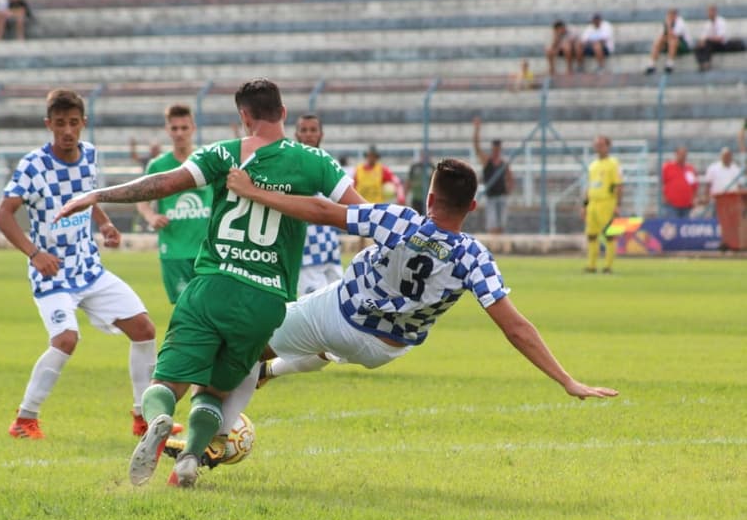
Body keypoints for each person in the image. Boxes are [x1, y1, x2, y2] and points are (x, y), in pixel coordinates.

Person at [196, 158, 619, 467]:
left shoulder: (401, 221)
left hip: (339, 313)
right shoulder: (475, 256)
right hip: (385, 349)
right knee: (323, 351)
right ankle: (274, 372)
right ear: (472, 207)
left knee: (243, 346)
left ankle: (205, 437)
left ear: (430, 197)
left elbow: (325, 211)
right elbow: (516, 329)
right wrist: (566, 380)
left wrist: (253, 192)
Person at [55, 78, 365, 488]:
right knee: (216, 392)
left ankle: (160, 418)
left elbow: (162, 184)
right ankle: (189, 460)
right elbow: (362, 211)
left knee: (166, 381)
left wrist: (98, 195)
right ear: (284, 113)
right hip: (267, 299)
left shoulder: (225, 153)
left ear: (244, 116)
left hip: (213, 285)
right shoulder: (316, 162)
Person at [0, 89, 163, 440]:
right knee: (66, 339)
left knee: (144, 329)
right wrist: (35, 254)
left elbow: (86, 195)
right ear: (48, 125)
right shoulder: (32, 165)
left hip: (88, 268)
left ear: (84, 123)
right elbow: (3, 215)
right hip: (52, 272)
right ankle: (25, 420)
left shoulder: (89, 155)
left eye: (73, 123)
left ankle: (142, 417)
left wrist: (103, 223)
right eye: (59, 124)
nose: (67, 131)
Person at [136, 104, 212, 304]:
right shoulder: (158, 166)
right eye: (174, 128)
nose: (179, 133)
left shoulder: (207, 161)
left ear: (193, 128)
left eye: (184, 128)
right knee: (184, 310)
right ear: (167, 130)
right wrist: (151, 216)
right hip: (174, 251)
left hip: (206, 252)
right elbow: (142, 200)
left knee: (209, 308)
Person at [294, 113, 344, 296]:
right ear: (297, 134)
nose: (309, 134)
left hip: (330, 248)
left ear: (321, 134)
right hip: (306, 252)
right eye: (304, 130)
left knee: (339, 306)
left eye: (313, 130)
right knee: (317, 312)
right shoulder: (293, 166)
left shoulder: (330, 164)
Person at [582, 136, 623, 274]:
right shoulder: (593, 165)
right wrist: (584, 205)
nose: (598, 147)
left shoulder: (613, 164)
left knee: (609, 234)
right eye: (596, 145)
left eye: (601, 144)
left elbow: (618, 186)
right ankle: (591, 265)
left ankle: (608, 266)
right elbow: (589, 186)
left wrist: (618, 204)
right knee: (591, 235)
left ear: (608, 146)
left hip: (607, 203)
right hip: (593, 203)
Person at [472, 117, 515, 235]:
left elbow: (510, 177)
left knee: (501, 224)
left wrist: (510, 188)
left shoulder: (503, 163)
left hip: (501, 196)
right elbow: (477, 147)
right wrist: (477, 130)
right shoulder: (487, 161)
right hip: (491, 196)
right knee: (493, 224)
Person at [645, 8, 693, 74]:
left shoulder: (680, 22)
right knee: (659, 40)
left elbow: (673, 36)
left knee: (673, 41)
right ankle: (651, 64)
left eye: (672, 14)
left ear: (675, 15)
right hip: (670, 43)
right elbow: (662, 36)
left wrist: (669, 26)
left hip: (684, 46)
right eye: (669, 14)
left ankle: (670, 64)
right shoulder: (667, 22)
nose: (670, 16)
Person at [661, 146, 698, 218]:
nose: (683, 156)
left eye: (684, 154)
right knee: (673, 226)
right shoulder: (668, 167)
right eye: (681, 154)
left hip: (687, 206)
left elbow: (694, 186)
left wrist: (694, 199)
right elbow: (662, 183)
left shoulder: (690, 169)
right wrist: (664, 197)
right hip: (672, 205)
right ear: (676, 154)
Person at [405, 150, 431, 215]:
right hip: (416, 198)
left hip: (428, 198)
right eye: (423, 155)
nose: (425, 157)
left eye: (426, 156)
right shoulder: (414, 167)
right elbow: (409, 181)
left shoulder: (432, 167)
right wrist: (405, 195)